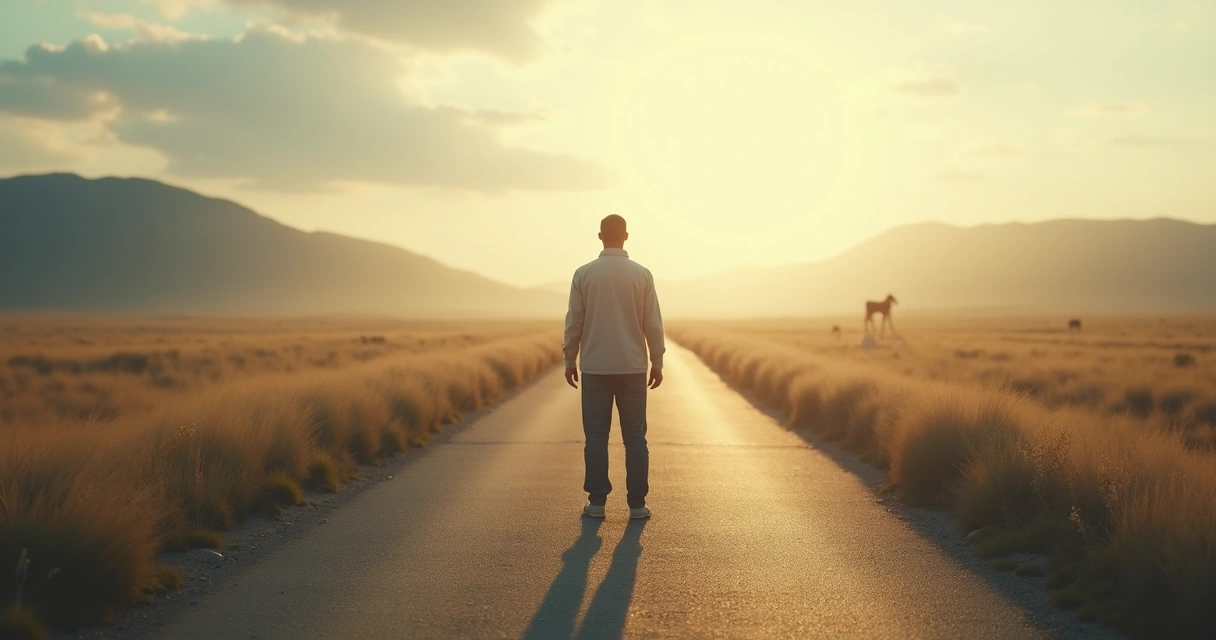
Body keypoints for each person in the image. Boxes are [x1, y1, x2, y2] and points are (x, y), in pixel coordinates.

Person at [562, 214, 665, 520]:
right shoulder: (642, 275)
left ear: (599, 236)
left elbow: (574, 321)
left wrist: (570, 358)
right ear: (627, 236)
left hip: (595, 368)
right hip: (633, 367)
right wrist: (656, 360)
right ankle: (637, 504)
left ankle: (596, 503)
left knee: (596, 437)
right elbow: (653, 323)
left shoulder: (584, 274)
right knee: (635, 437)